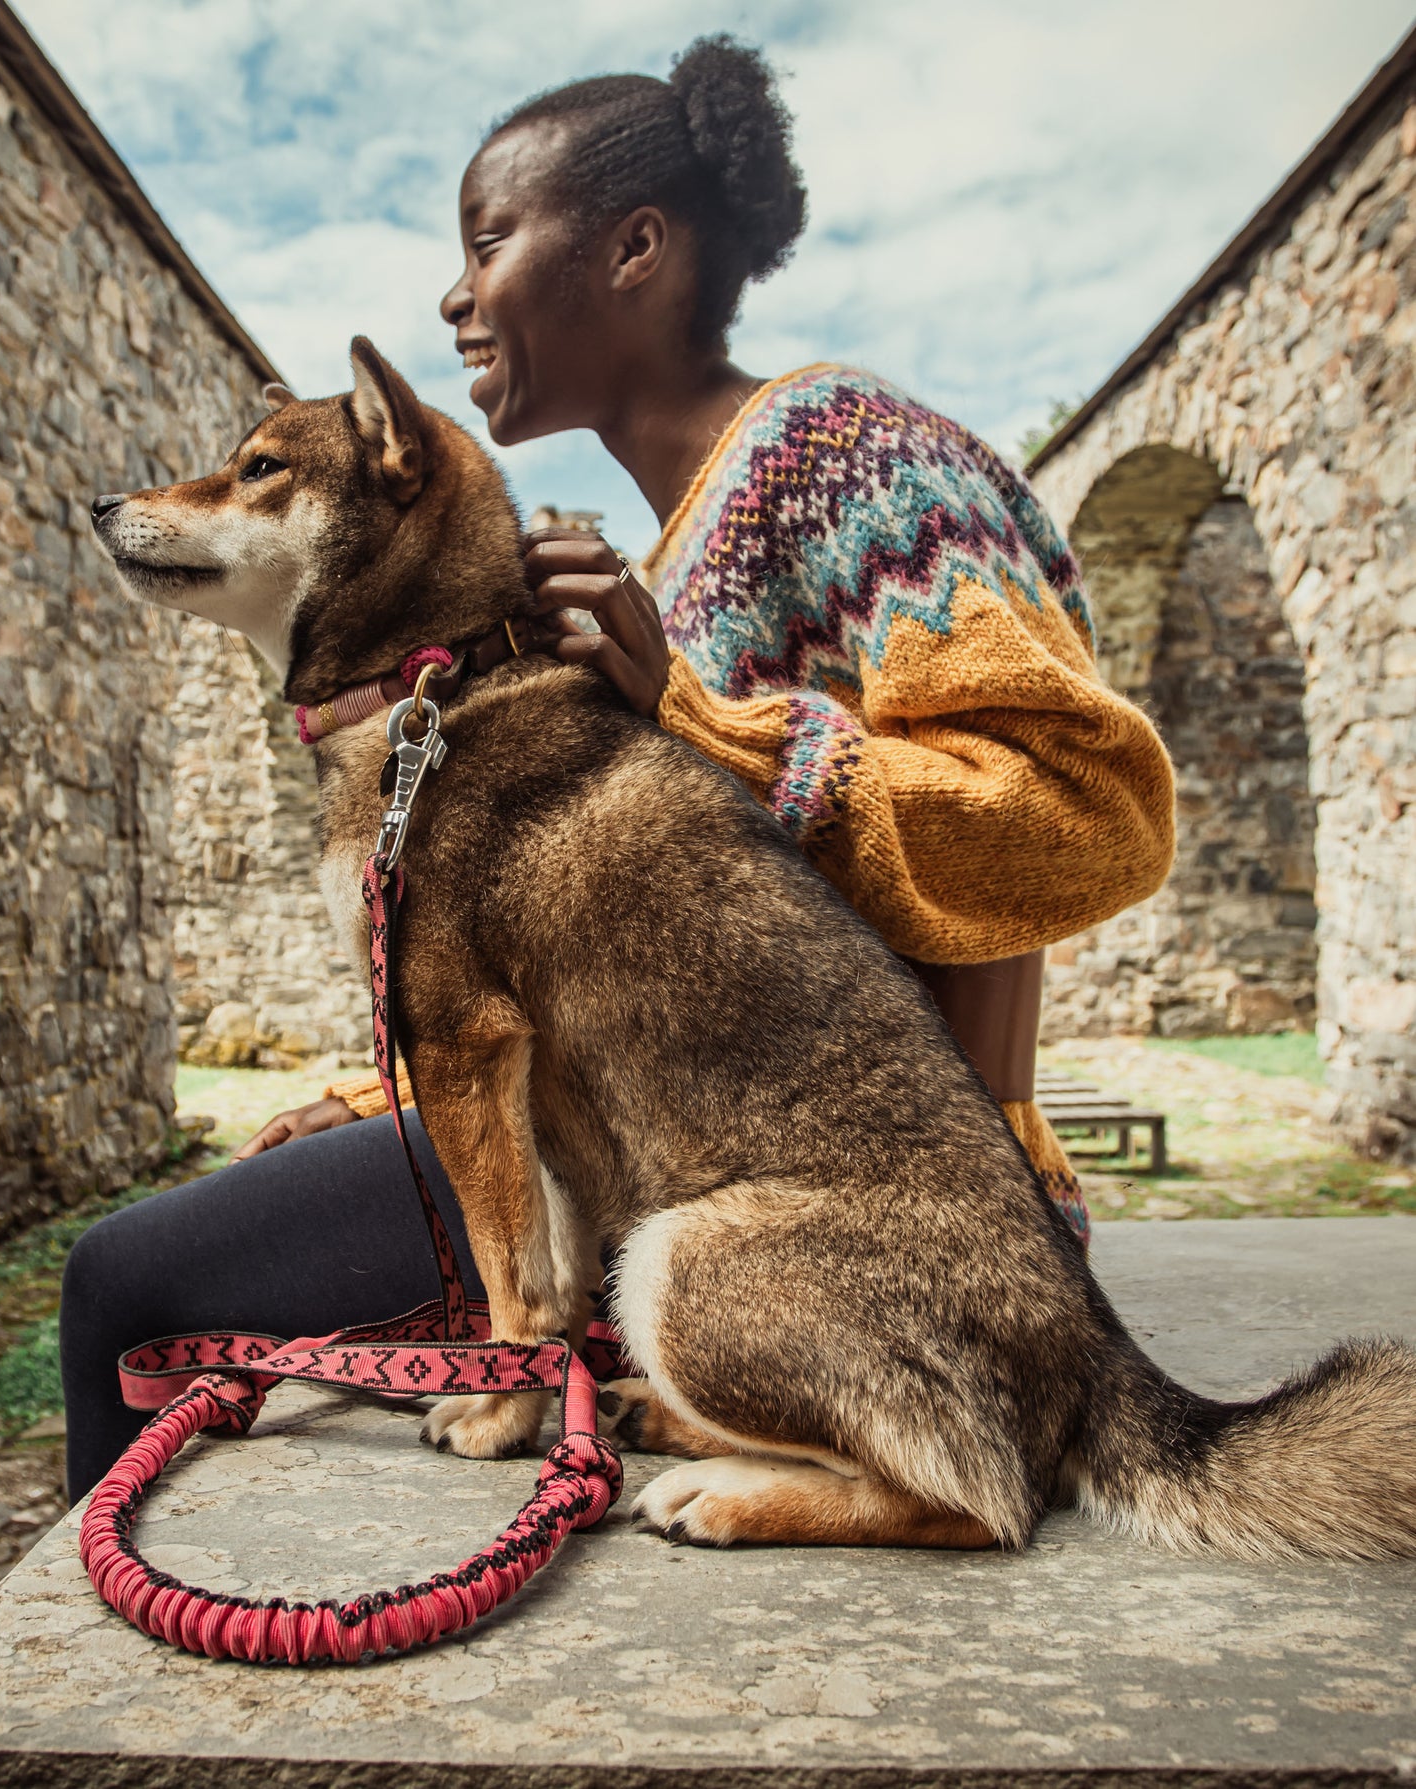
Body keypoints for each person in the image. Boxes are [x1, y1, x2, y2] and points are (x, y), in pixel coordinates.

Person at [59, 37, 1174, 1504]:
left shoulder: (850, 457)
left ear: (634, 248)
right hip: (681, 1160)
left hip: (893, 1224)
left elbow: (1079, 810)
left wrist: (697, 718)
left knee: (124, 1282)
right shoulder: (661, 551)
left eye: (488, 240)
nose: (455, 294)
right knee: (157, 1274)